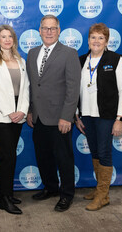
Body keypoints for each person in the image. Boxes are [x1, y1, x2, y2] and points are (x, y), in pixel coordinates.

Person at [26, 15, 81, 212]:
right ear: (39, 31)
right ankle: (51, 188)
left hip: (60, 118)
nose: (49, 32)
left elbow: (73, 89)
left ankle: (67, 195)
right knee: (43, 156)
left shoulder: (69, 53)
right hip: (39, 116)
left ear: (59, 31)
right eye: (45, 28)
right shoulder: (32, 53)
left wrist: (67, 116)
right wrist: (31, 111)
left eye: (52, 28)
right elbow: (33, 86)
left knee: (64, 158)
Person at [75, 23, 122, 211]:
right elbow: (76, 90)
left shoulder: (115, 60)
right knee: (96, 152)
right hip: (87, 114)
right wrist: (76, 115)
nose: (96, 41)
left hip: (106, 115)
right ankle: (99, 191)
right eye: (93, 37)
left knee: (104, 152)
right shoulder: (81, 60)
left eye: (100, 37)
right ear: (88, 40)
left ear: (106, 41)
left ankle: (103, 195)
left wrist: (119, 119)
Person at [0, 25, 30, 215]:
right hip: (1, 115)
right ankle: (5, 199)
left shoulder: (21, 60)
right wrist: (10, 111)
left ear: (14, 39)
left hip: (19, 113)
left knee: (9, 156)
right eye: (3, 37)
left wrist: (23, 111)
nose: (7, 40)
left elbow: (26, 88)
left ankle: (2, 193)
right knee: (7, 156)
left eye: (10, 36)